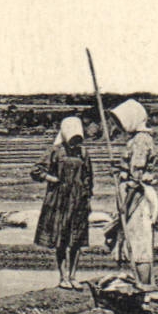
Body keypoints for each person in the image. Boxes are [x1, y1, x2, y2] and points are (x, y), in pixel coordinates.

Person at [31, 116, 93, 289]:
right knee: (62, 239)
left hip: (79, 200)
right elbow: (36, 170)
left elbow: (88, 177)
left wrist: (87, 198)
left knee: (77, 240)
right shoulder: (55, 151)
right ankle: (63, 276)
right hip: (60, 200)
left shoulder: (84, 153)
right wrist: (52, 179)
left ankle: (73, 276)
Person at [109, 99, 158, 292]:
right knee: (134, 239)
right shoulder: (138, 140)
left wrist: (125, 205)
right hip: (133, 195)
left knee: (139, 243)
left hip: (136, 197)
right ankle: (140, 283)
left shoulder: (140, 141)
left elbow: (135, 177)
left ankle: (144, 285)